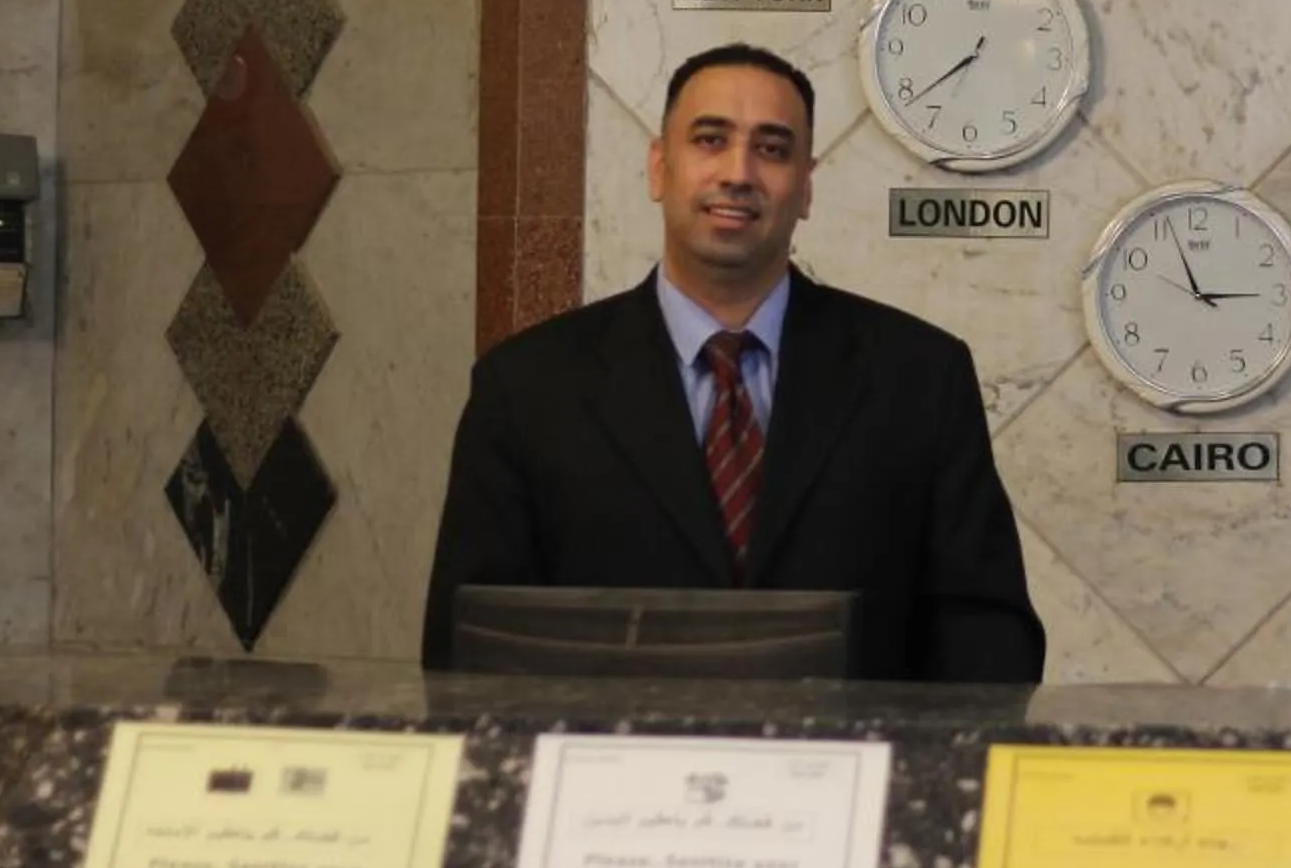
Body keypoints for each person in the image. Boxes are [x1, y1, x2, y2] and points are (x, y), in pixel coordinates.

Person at [421, 43, 1046, 682]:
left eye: (772, 149)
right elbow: (467, 645)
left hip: (855, 773)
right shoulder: (526, 388)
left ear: (805, 187)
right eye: (710, 140)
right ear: (659, 167)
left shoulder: (920, 378)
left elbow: (987, 637)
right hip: (612, 774)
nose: (739, 173)